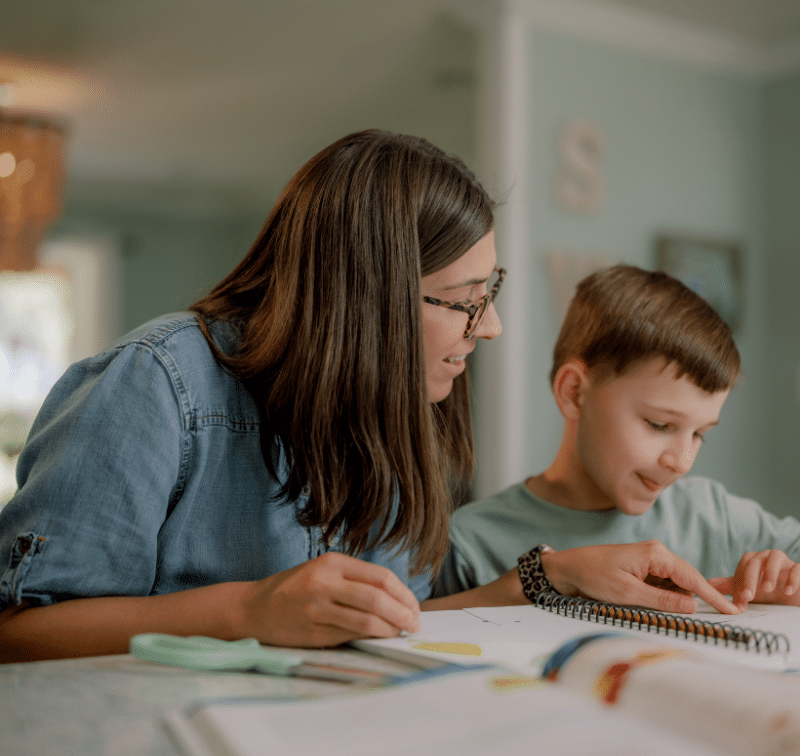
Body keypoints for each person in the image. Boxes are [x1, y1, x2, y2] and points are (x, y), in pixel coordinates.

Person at [0, 134, 736, 663]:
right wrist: (246, 611)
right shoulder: (156, 384)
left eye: (492, 294)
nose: (494, 328)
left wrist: (546, 579)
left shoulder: (397, 410)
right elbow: (16, 634)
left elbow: (390, 619)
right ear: (363, 296)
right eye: (463, 301)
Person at [436, 264, 800, 610]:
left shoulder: (713, 516)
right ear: (575, 393)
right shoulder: (472, 541)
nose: (682, 461)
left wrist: (785, 577)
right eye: (659, 425)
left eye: (700, 434)